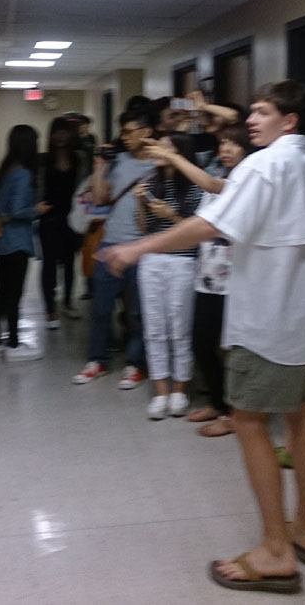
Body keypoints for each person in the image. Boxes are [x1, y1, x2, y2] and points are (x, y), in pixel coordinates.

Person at [99, 80, 305, 594]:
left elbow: (208, 225)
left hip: (270, 322)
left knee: (247, 420)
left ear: (289, 121)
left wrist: (138, 249)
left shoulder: (263, 167)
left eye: (262, 112)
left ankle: (275, 552)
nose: (250, 120)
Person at [142, 123, 252, 435]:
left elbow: (210, 186)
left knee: (229, 348)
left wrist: (171, 156)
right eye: (223, 143)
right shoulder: (224, 174)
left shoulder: (249, 179)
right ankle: (219, 403)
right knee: (202, 343)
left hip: (234, 279)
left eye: (234, 144)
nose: (225, 149)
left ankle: (234, 413)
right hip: (208, 276)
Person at [72, 109, 155, 389]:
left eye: (129, 131)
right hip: (110, 244)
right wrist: (100, 167)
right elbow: (99, 199)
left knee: (138, 312)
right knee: (100, 308)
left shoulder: (159, 164)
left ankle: (135, 364)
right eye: (123, 132)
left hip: (142, 247)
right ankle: (97, 360)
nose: (124, 137)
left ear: (146, 132)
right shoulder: (118, 161)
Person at [135, 133, 203, 419]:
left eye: (164, 147)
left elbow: (200, 230)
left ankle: (179, 390)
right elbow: (143, 228)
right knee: (154, 328)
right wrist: (140, 203)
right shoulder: (151, 180)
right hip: (152, 259)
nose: (157, 151)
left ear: (180, 152)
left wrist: (171, 215)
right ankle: (161, 392)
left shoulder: (196, 185)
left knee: (179, 328)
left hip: (183, 261)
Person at [0, 125, 51, 361]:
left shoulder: (6, 169)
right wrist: (37, 209)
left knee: (1, 291)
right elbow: (17, 210)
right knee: (14, 293)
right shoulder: (23, 174)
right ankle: (13, 344)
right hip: (17, 241)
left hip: (3, 240)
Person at [39, 117, 87, 328]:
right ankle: (50, 309)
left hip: (72, 220)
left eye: (64, 132)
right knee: (49, 265)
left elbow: (84, 188)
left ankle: (67, 302)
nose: (60, 136)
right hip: (49, 219)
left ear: (70, 134)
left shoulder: (79, 159)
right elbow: (37, 187)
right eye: (56, 132)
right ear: (51, 135)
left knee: (69, 264)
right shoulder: (44, 161)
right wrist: (37, 206)